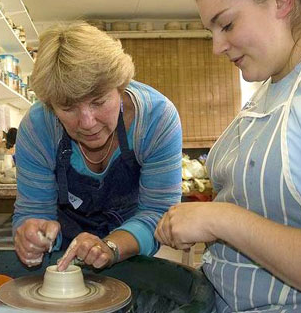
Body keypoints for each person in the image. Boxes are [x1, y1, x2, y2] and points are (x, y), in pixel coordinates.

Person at [155, 0, 301, 311]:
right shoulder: (268, 89)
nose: (217, 46)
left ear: (281, 0)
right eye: (212, 32)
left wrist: (220, 219)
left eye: (227, 24)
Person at [13, 22, 182, 271]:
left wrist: (111, 247)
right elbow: (34, 211)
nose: (87, 123)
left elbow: (158, 212)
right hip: (63, 255)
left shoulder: (156, 119)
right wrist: (33, 234)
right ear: (50, 105)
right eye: (68, 108)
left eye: (99, 101)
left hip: (130, 245)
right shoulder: (38, 127)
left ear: (120, 86)